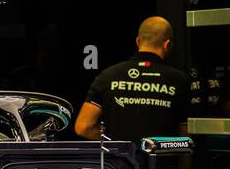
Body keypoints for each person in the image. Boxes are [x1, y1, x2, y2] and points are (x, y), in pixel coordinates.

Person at [74, 16, 205, 145]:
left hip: (121, 163)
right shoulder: (180, 80)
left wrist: (114, 137)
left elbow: (83, 127)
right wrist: (184, 167)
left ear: (138, 41)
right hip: (162, 163)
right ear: (167, 45)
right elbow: (185, 137)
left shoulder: (108, 76)